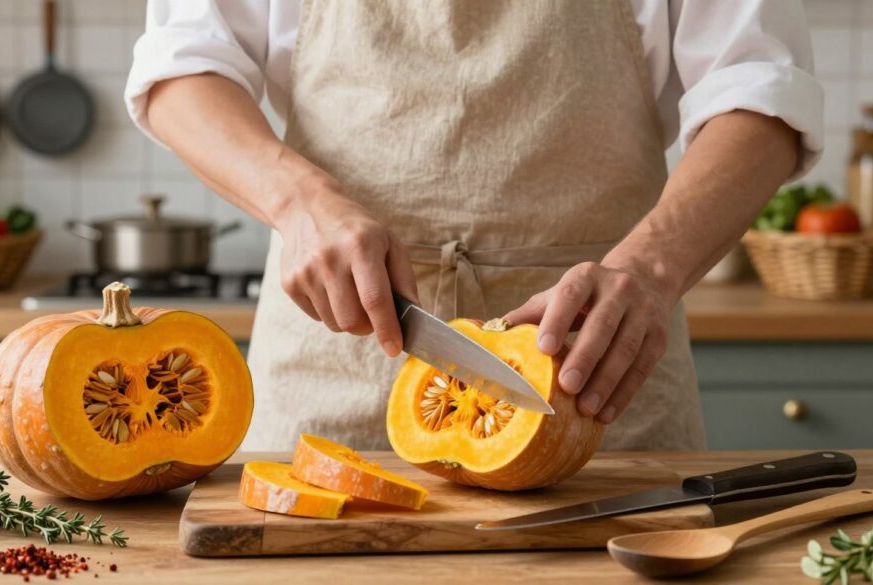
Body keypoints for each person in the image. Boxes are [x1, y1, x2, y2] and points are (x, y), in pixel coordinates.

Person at [125, 0, 823, 452]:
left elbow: (760, 85)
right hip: (330, 372)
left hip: (597, 381)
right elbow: (183, 65)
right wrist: (297, 200)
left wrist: (651, 268)